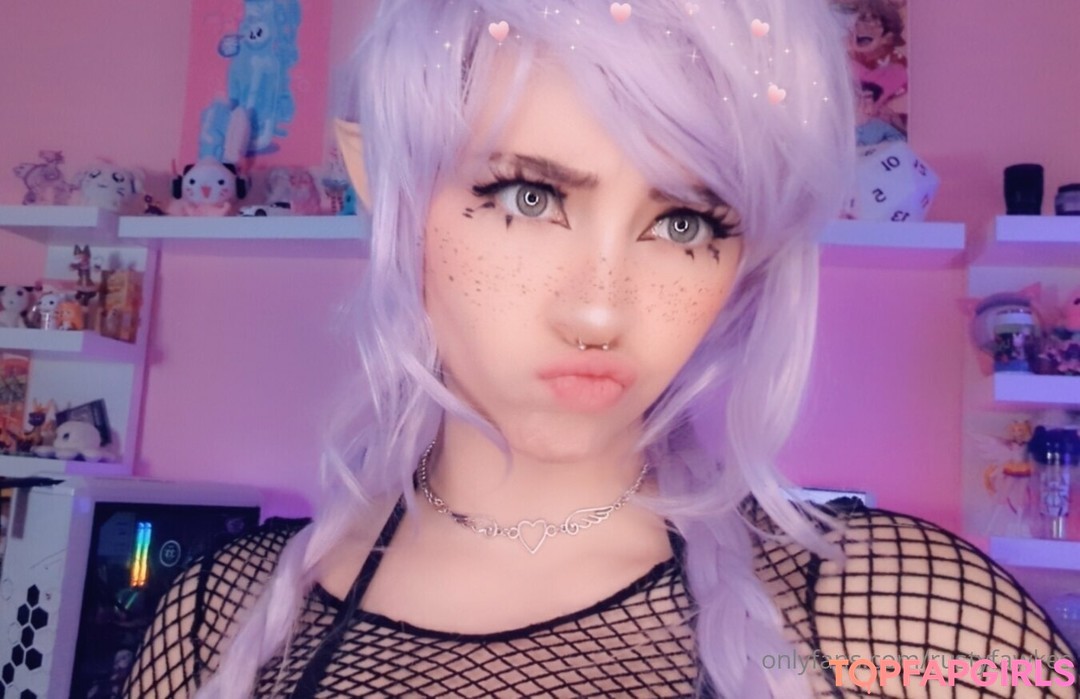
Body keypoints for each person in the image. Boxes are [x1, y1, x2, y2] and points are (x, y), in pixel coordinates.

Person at [125, 0, 1078, 697]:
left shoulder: (911, 621)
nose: (598, 311)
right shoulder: (221, 622)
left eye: (685, 222)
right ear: (391, 186)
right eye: (528, 197)